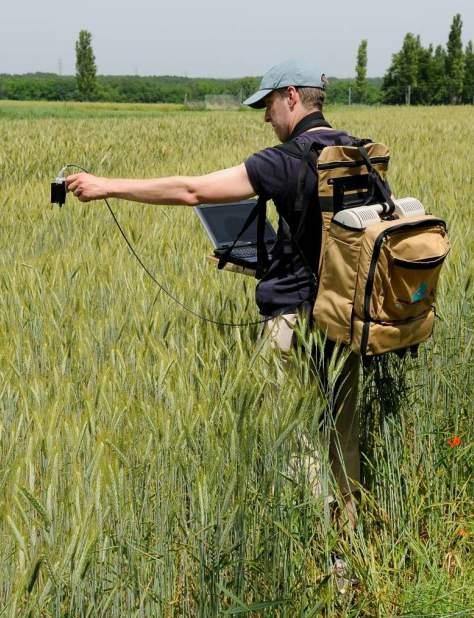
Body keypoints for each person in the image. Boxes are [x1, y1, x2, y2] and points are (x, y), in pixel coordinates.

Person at [66, 58, 360, 525]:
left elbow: (191, 190)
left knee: (291, 433)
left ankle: (315, 540)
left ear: (291, 96)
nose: (266, 117)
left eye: (267, 105)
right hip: (348, 316)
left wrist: (107, 186)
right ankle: (350, 539)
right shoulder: (355, 152)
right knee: (343, 432)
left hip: (294, 321)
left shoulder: (283, 160)